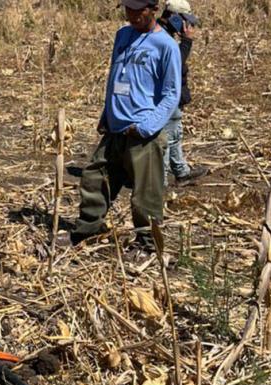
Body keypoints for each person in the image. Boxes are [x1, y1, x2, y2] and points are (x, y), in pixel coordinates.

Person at [67, 0, 181, 250]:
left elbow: (172, 93)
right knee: (95, 178)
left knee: (145, 194)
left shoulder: (167, 46)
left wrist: (146, 127)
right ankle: (88, 230)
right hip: (115, 128)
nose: (131, 15)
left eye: (137, 10)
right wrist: (107, 114)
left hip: (143, 133)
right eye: (127, 9)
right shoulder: (123, 34)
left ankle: (148, 243)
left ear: (153, 9)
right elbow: (115, 77)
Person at [159, 0, 209, 185]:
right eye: (185, 20)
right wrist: (187, 41)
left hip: (173, 96)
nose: (188, 25)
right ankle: (161, 180)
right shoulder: (161, 37)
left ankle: (181, 171)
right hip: (166, 96)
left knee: (174, 134)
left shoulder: (167, 35)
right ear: (173, 17)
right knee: (165, 138)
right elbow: (174, 66)